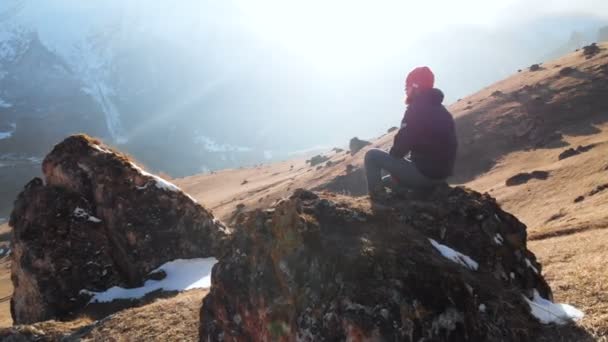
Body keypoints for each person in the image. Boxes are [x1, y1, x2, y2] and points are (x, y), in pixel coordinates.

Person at [364, 66, 457, 199]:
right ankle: (405, 195)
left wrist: (391, 153)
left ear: (415, 86)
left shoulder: (416, 109)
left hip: (424, 175)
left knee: (372, 156)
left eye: (406, 87)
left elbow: (399, 151)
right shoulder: (442, 111)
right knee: (386, 181)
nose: (406, 91)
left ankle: (378, 200)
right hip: (439, 177)